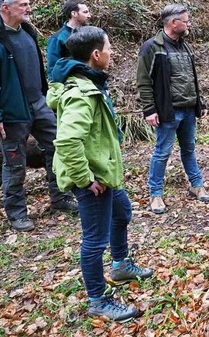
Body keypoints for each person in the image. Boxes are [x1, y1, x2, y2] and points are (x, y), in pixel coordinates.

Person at [47, 26, 153, 322]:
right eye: (108, 48)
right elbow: (68, 141)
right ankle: (98, 300)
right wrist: (85, 179)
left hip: (104, 173)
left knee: (122, 213)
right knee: (94, 240)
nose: (112, 52)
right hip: (93, 179)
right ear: (95, 55)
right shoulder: (81, 92)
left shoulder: (89, 82)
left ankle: (120, 265)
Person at [0, 0, 77, 232]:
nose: (29, 8)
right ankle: (17, 213)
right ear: (5, 8)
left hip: (38, 105)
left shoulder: (28, 33)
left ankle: (60, 198)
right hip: (12, 112)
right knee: (14, 163)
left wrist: (46, 98)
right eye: (23, 5)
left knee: (59, 145)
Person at [136, 4, 209, 214]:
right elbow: (143, 82)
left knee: (189, 150)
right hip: (168, 112)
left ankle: (197, 185)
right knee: (162, 153)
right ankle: (156, 194)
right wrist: (149, 109)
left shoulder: (186, 47)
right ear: (173, 23)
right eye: (185, 21)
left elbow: (191, 78)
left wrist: (200, 102)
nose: (189, 24)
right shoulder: (152, 47)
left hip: (188, 110)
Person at [47, 0, 91, 79]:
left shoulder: (90, 34)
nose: (89, 16)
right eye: (85, 12)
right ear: (74, 13)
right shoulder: (57, 38)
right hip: (71, 84)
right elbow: (52, 69)